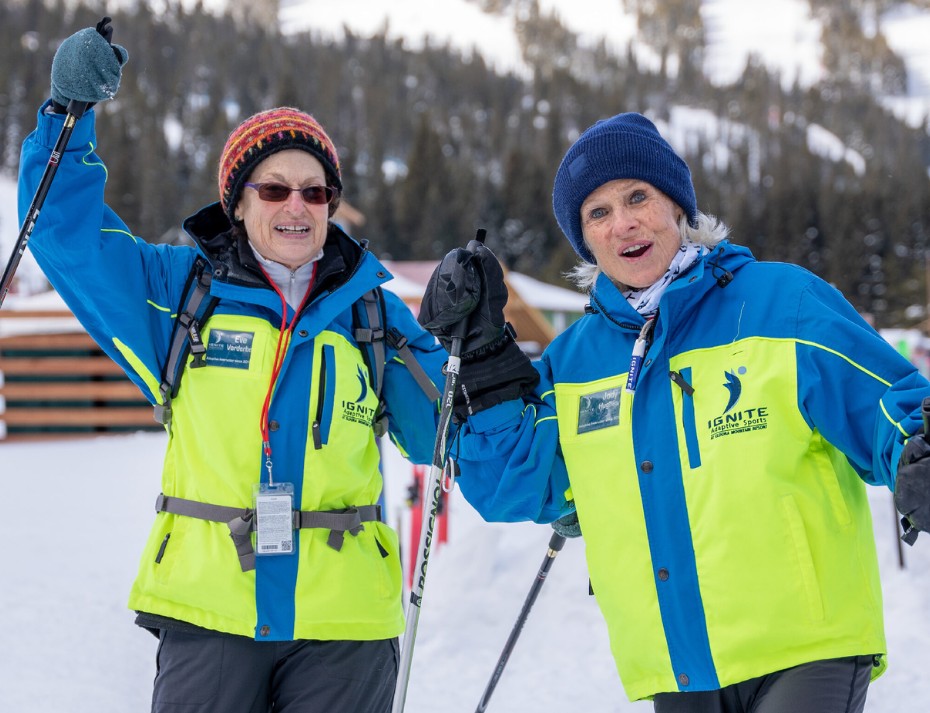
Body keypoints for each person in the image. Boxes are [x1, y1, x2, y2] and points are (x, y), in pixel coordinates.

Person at [418, 111, 930, 713]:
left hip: (806, 643)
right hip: (677, 669)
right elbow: (512, 486)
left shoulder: (780, 302)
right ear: (585, 238)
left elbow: (888, 404)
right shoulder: (576, 360)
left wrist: (914, 450)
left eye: (638, 196)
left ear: (678, 207)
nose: (624, 223)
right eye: (598, 212)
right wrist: (483, 362)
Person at [19, 22, 447, 713]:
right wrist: (69, 116)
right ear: (238, 201)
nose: (296, 206)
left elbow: (442, 432)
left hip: (344, 625)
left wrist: (468, 343)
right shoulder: (178, 292)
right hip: (208, 608)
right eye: (274, 190)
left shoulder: (372, 312)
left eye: (315, 192)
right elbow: (67, 237)